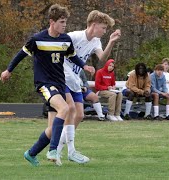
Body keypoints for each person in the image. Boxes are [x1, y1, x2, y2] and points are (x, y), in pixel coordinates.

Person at [0, 4, 95, 167]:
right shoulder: (37, 39)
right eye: (62, 22)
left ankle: (31, 153)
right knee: (65, 109)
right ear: (52, 22)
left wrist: (84, 65)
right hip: (44, 84)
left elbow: (72, 56)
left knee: (52, 129)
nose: (65, 25)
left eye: (65, 22)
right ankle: (53, 151)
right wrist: (8, 70)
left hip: (60, 84)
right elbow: (20, 54)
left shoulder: (65, 40)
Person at [49, 10, 121, 163]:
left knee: (80, 115)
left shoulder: (95, 41)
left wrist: (111, 42)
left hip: (75, 80)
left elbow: (102, 58)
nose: (104, 30)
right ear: (93, 25)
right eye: (103, 27)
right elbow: (56, 50)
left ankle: (65, 151)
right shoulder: (74, 36)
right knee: (71, 111)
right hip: (62, 78)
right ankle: (62, 151)